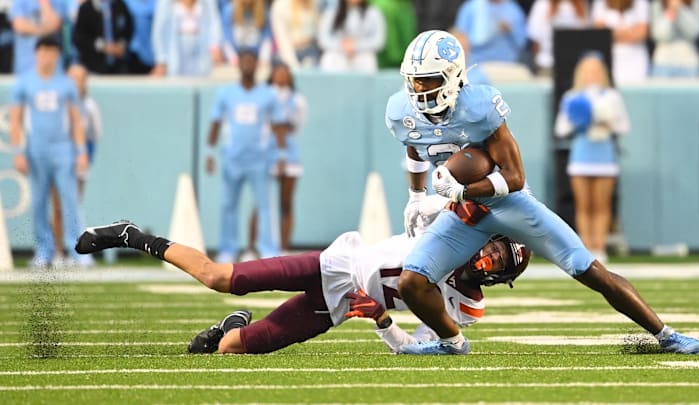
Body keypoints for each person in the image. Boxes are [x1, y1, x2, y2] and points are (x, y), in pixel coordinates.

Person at [386, 29, 699, 355]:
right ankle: (451, 343)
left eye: (429, 80)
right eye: (415, 81)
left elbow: (514, 177)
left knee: (589, 270)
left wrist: (459, 192)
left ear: (453, 76)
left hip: (506, 202)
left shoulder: (480, 105)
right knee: (412, 283)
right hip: (463, 212)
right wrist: (416, 196)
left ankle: (666, 335)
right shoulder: (401, 111)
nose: (420, 89)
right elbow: (415, 146)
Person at [74, 197, 532, 354]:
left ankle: (231, 325)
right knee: (216, 276)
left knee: (231, 349)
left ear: (499, 279)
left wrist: (382, 321)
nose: (485, 260)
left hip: (334, 307)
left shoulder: (466, 307)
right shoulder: (452, 230)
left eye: (497, 264)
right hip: (333, 264)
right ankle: (130, 234)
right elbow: (433, 196)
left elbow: (418, 350)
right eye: (492, 250)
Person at [8, 35, 88, 269]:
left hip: (63, 149)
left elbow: (76, 120)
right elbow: (16, 119)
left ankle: (79, 250)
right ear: (36, 53)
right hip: (36, 149)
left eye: (52, 51)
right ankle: (44, 250)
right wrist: (18, 151)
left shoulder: (66, 84)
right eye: (43, 50)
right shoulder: (25, 83)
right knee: (39, 202)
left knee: (70, 200)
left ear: (57, 54)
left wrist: (81, 151)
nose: (47, 55)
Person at [205, 49, 282, 262]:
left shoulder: (268, 95)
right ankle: (227, 249)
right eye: (245, 61)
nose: (248, 65)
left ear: (257, 64)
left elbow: (277, 126)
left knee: (265, 206)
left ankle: (268, 249)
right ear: (238, 64)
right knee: (228, 206)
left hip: (260, 159)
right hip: (233, 159)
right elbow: (215, 122)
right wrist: (209, 151)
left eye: (252, 61)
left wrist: (281, 155)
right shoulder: (226, 93)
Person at [554, 52, 630, 263]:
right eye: (588, 70)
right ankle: (586, 248)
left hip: (604, 156)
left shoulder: (612, 96)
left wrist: (606, 122)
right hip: (581, 156)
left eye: (596, 70)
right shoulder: (572, 97)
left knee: (602, 205)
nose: (592, 75)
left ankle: (600, 246)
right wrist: (579, 121)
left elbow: (624, 126)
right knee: (583, 204)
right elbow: (560, 129)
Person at [249, 62, 308, 256]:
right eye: (278, 72)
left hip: (289, 154)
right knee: (260, 202)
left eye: (285, 73)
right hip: (266, 153)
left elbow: (296, 125)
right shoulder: (263, 97)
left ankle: (283, 248)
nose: (282, 76)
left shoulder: (297, 100)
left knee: (286, 203)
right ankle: (252, 248)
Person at [50, 64, 102, 267]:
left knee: (73, 205)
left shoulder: (89, 105)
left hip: (78, 160)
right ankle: (57, 252)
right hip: (58, 158)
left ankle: (77, 251)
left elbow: (95, 134)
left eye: (79, 78)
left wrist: (86, 157)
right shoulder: (58, 102)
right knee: (58, 207)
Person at [151, 0, 223, 77]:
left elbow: (214, 25)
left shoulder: (209, 2)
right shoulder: (165, 3)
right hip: (175, 54)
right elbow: (159, 32)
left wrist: (215, 47)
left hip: (201, 54)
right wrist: (161, 60)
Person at [316, 0, 386, 73]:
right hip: (338, 52)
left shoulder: (373, 13)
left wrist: (356, 45)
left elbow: (379, 41)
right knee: (329, 58)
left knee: (367, 59)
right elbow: (323, 39)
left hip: (362, 53)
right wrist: (341, 45)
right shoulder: (332, 12)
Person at [526, 0, 591, 77]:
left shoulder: (581, 4)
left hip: (575, 65)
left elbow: (586, 36)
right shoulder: (542, 4)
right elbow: (535, 39)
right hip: (548, 64)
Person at [591, 0, 650, 84]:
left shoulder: (640, 2)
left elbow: (642, 33)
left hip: (636, 58)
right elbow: (601, 32)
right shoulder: (600, 3)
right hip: (613, 57)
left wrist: (614, 33)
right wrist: (630, 31)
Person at [72, 0, 134, 74]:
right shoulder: (86, 8)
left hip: (118, 67)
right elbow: (79, 38)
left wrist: (121, 45)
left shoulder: (119, 5)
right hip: (93, 67)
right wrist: (102, 46)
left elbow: (128, 30)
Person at [650, 0, 699, 78]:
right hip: (663, 63)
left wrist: (680, 9)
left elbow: (694, 32)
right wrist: (670, 13)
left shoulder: (694, 3)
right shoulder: (657, 4)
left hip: (689, 63)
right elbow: (660, 35)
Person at [9, 0, 64, 74]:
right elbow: (19, 26)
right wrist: (45, 30)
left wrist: (44, 3)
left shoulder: (58, 2)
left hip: (53, 66)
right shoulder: (20, 2)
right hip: (25, 65)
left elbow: (55, 24)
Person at [270, 0, 320, 70]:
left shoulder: (316, 3)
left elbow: (318, 33)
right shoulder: (280, 5)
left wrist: (307, 41)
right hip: (286, 52)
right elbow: (282, 39)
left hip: (310, 52)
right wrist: (293, 65)